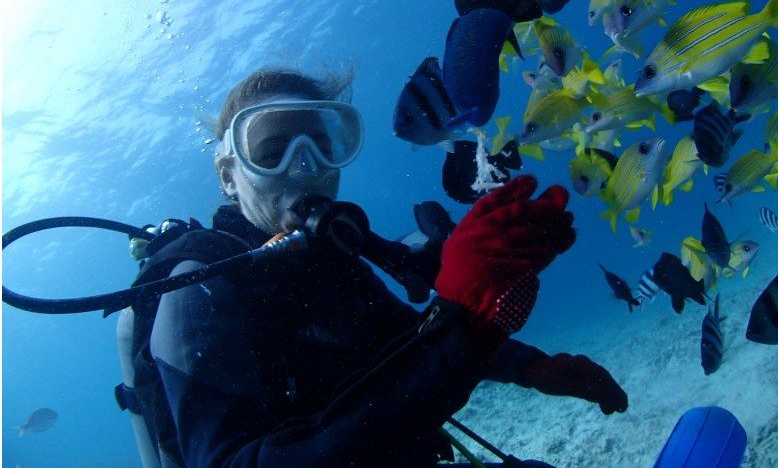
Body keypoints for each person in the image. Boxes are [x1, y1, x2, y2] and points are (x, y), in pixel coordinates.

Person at [140, 66, 628, 467]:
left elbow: (409, 339)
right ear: (229, 176)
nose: (305, 167)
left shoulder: (333, 263)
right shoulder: (199, 287)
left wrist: (530, 367)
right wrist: (464, 335)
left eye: (321, 145)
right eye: (271, 153)